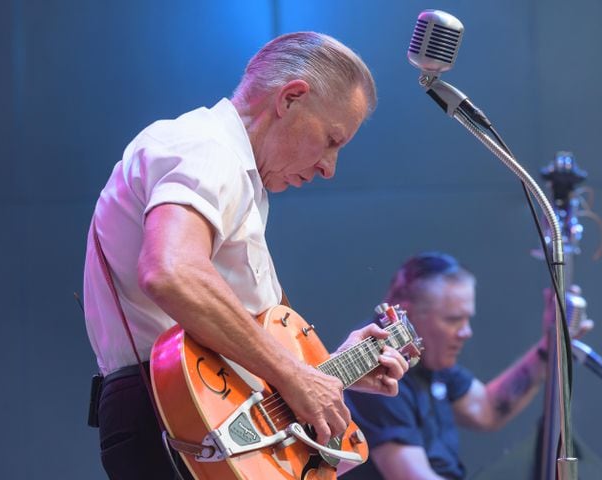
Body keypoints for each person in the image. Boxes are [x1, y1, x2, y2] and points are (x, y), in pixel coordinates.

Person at [82, 32, 412, 480]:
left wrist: (328, 371)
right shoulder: (208, 148)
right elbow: (171, 271)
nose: (329, 168)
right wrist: (297, 377)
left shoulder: (230, 167)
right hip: (172, 419)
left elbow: (232, 354)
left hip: (192, 415)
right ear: (291, 98)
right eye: (332, 140)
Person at [343, 252, 593, 480]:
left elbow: (486, 410)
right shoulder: (376, 366)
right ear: (407, 314)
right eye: (453, 320)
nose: (466, 332)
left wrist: (548, 349)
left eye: (467, 319)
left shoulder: (427, 356)